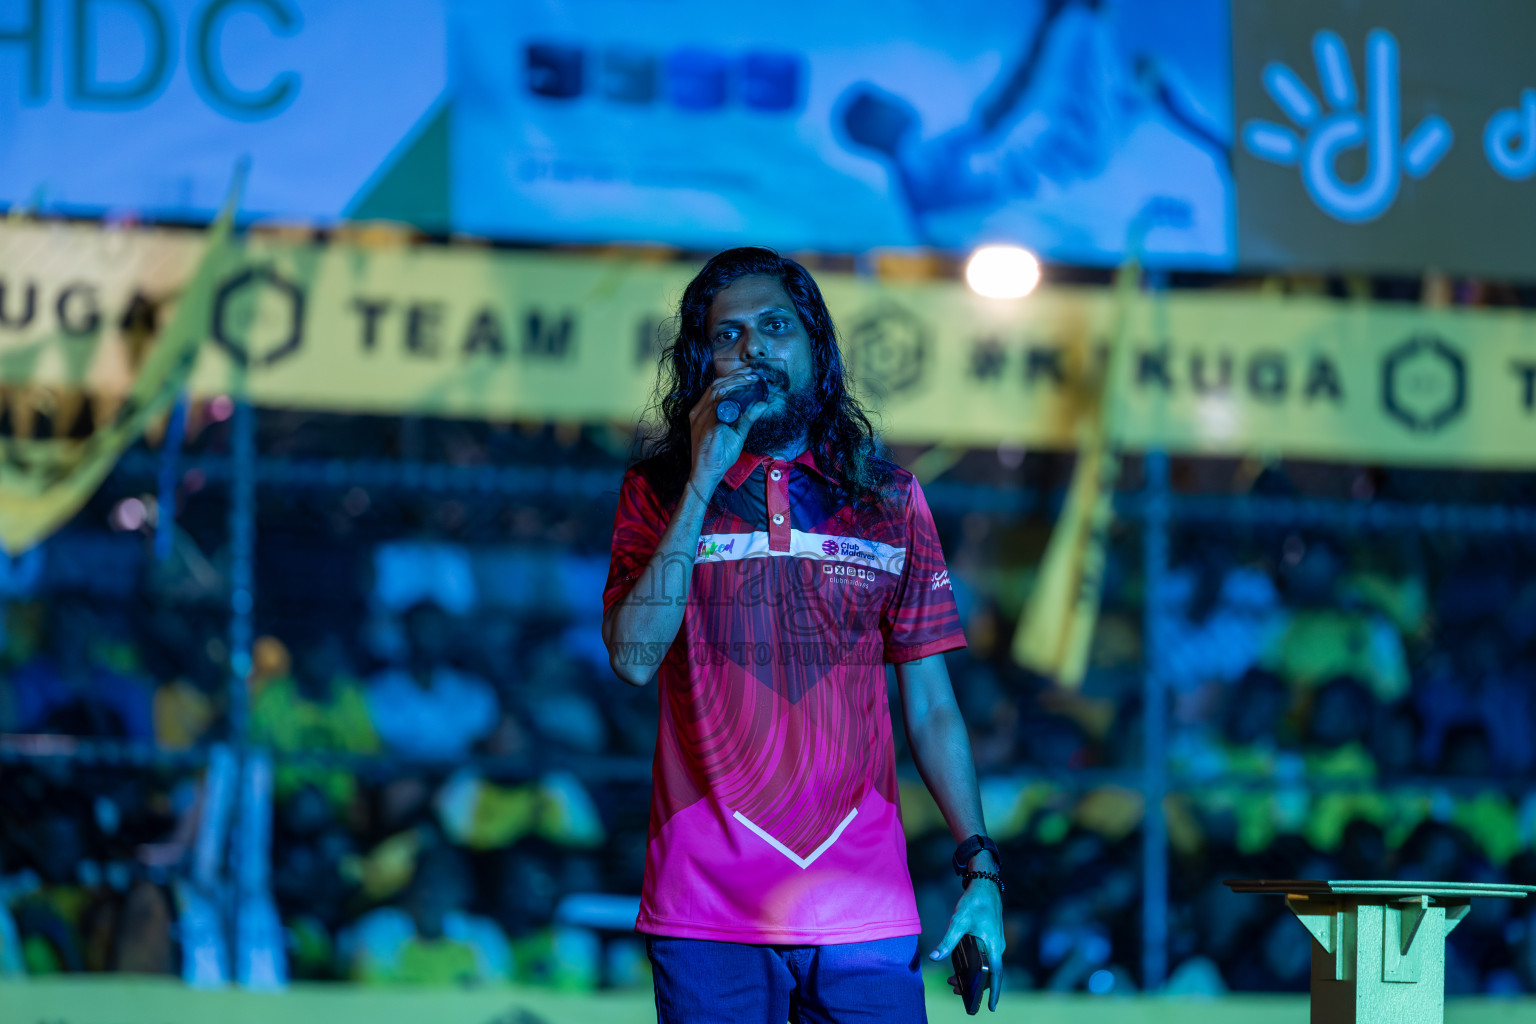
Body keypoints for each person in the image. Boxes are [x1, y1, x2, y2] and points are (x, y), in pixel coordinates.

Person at [602, 247, 1004, 1022]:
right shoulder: (656, 493)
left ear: (816, 347)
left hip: (864, 907)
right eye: (730, 336)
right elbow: (633, 658)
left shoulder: (889, 499)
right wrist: (701, 478)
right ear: (703, 361)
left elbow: (931, 709)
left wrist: (980, 871)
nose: (754, 349)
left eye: (777, 327)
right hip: (706, 910)